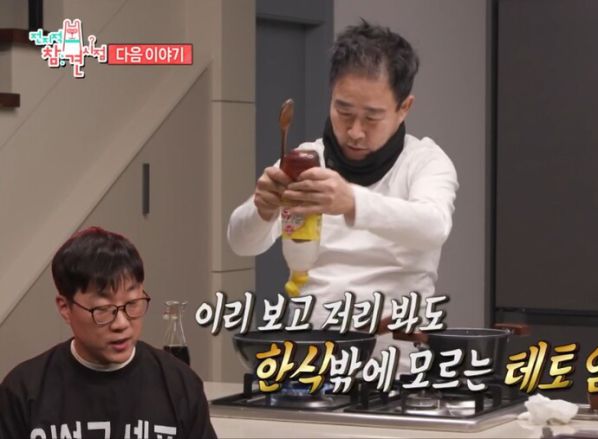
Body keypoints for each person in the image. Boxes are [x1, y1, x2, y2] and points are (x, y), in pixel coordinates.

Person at [227, 20, 459, 371]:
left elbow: (433, 226)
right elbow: (241, 243)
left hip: (395, 362)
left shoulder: (424, 161)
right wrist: (261, 209)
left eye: (372, 117)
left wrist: (351, 202)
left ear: (404, 108)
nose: (355, 131)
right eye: (343, 111)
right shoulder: (306, 160)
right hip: (310, 355)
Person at [0, 227, 217, 439]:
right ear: (65, 308)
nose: (121, 323)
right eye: (103, 309)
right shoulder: (23, 391)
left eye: (132, 303)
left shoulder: (180, 385)